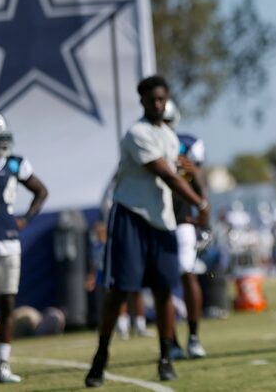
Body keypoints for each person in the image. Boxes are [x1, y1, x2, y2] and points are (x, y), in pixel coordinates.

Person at [85, 76, 210, 387]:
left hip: (163, 220)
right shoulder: (136, 133)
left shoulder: (169, 136)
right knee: (120, 291)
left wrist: (197, 182)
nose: (157, 104)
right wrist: (199, 203)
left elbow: (182, 173)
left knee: (165, 289)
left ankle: (166, 357)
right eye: (152, 99)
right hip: (131, 217)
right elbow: (166, 175)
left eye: (161, 99)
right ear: (141, 101)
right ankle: (101, 356)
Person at [0, 112, 48, 388]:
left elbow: (41, 191)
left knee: (8, 304)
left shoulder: (17, 164)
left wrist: (26, 218)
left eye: (4, 138)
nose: (1, 143)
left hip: (9, 242)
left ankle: (2, 365)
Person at [163, 99, 208, 358]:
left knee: (188, 274)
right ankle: (171, 342)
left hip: (181, 219)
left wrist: (194, 173)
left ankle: (192, 336)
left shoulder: (187, 144)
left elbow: (201, 182)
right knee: (163, 284)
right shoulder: (146, 141)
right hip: (155, 219)